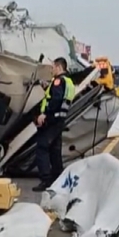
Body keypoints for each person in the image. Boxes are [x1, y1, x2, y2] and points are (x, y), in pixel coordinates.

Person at [33, 57, 76, 192]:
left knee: (42, 148)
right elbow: (59, 95)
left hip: (51, 119)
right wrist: (46, 86)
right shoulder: (68, 81)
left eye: (53, 67)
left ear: (59, 67)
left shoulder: (58, 81)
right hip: (59, 120)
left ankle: (46, 180)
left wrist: (44, 114)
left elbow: (56, 99)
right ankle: (58, 177)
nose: (51, 70)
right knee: (55, 150)